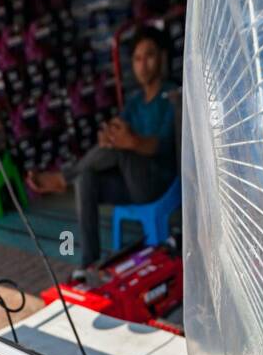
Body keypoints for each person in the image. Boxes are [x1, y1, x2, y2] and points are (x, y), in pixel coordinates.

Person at [26, 25, 178, 282]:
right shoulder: (135, 102)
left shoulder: (171, 95)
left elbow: (164, 146)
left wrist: (131, 142)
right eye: (138, 58)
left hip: (159, 182)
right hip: (130, 180)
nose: (143, 64)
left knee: (120, 149)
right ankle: (89, 263)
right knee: (86, 177)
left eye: (150, 55)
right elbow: (117, 131)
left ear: (162, 57)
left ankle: (63, 178)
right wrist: (107, 136)